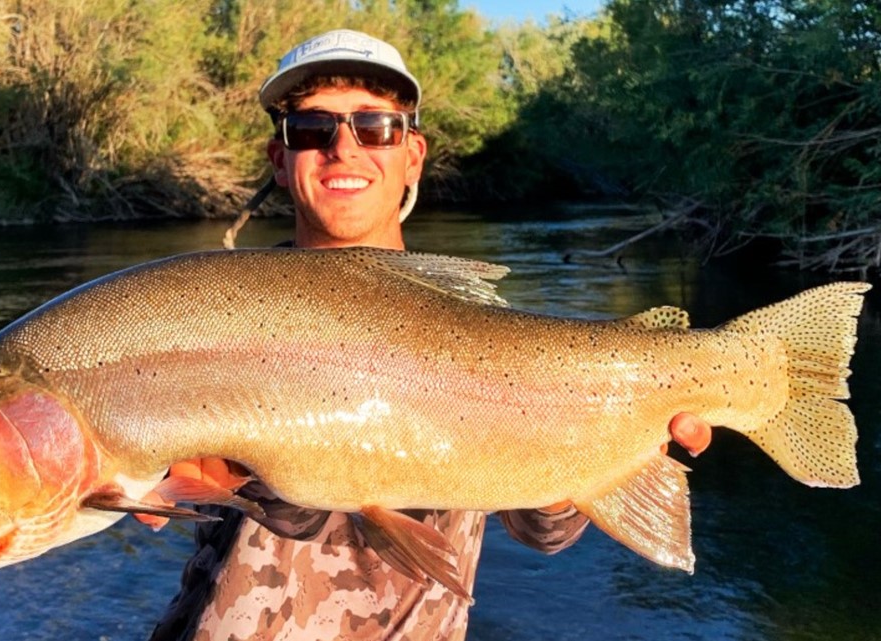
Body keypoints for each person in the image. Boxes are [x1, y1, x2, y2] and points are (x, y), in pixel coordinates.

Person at [148, 29, 712, 641]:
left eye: (376, 127)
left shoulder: (476, 326)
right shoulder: (214, 313)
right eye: (311, 128)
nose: (344, 147)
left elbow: (543, 531)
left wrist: (610, 444)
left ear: (412, 154)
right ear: (280, 160)